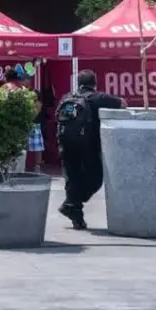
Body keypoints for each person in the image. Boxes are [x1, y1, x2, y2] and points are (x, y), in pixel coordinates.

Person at [56, 69, 124, 229]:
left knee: (72, 179)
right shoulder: (98, 98)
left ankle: (75, 214)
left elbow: (58, 116)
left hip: (66, 143)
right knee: (95, 179)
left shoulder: (67, 98)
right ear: (94, 83)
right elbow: (122, 103)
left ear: (78, 83)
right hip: (88, 145)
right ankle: (71, 204)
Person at [29, 83, 55, 173]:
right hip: (29, 125)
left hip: (35, 125)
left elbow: (34, 114)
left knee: (37, 147)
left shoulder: (38, 103)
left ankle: (37, 167)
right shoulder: (32, 103)